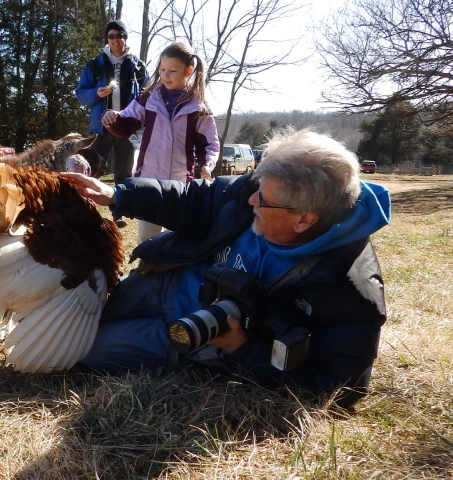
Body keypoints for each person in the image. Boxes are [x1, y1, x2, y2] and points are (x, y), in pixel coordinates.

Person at [60, 128, 392, 408]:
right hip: (166, 284)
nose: (251, 201)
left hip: (197, 337)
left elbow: (339, 388)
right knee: (77, 315)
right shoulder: (262, 188)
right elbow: (192, 199)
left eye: (262, 200)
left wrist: (242, 349)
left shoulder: (350, 289)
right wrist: (118, 194)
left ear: (304, 219)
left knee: (74, 346)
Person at [101, 41, 220, 244]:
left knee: (179, 238)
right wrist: (113, 119)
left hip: (181, 184)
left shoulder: (198, 107)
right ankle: (145, 272)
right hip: (149, 180)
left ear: (188, 71)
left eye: (172, 70)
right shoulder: (149, 98)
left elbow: (209, 143)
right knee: (147, 238)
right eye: (162, 69)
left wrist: (207, 164)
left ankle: (175, 273)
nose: (165, 75)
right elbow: (126, 123)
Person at [75, 19, 149, 227]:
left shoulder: (138, 66)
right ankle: (86, 208)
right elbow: (81, 93)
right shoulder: (94, 65)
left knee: (124, 172)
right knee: (93, 168)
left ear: (125, 38)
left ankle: (119, 213)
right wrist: (96, 94)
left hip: (126, 127)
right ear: (107, 39)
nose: (115, 40)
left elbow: (147, 95)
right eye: (111, 36)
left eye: (120, 35)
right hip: (101, 127)